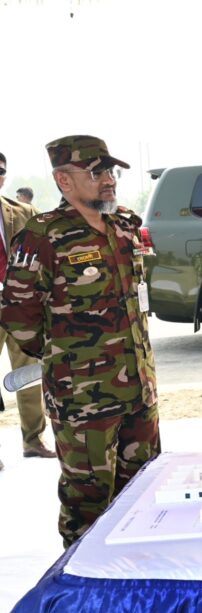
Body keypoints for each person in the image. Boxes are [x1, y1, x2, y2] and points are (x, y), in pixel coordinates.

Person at [0, 136, 160, 548]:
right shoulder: (43, 236)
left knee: (145, 499)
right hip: (84, 401)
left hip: (140, 393)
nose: (109, 180)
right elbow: (19, 319)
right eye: (97, 172)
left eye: (111, 171)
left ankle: (139, 592)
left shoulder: (124, 224)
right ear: (64, 181)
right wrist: (68, 360)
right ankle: (82, 599)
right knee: (87, 508)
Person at [0, 152, 52, 472]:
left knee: (29, 375)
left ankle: (33, 440)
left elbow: (45, 258)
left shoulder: (23, 212)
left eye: (1, 171)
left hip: (20, 307)